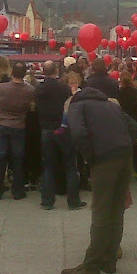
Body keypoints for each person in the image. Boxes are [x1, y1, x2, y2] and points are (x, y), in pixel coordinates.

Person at [61, 86, 137, 274]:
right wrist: (122, 143)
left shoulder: (77, 106)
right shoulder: (110, 105)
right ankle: (109, 260)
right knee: (116, 210)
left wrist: (90, 156)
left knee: (101, 211)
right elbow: (135, 128)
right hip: (125, 157)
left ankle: (91, 265)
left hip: (104, 160)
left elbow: (78, 134)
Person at [35, 61, 86, 210]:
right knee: (70, 165)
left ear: (43, 71)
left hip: (46, 129)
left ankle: (47, 201)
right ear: (56, 71)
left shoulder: (39, 89)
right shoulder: (63, 88)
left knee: (48, 166)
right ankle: (73, 201)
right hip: (63, 129)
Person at [0, 61, 36, 200]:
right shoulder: (30, 90)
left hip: (1, 124)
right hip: (19, 125)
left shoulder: (1, 88)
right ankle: (18, 191)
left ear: (12, 73)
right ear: (24, 74)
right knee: (18, 158)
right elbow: (33, 104)